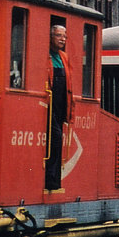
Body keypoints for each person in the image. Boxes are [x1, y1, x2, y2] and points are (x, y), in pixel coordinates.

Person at [45, 24, 73, 191]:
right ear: (51, 37)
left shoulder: (63, 57)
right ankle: (50, 178)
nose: (62, 39)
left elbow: (69, 84)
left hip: (61, 102)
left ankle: (55, 177)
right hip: (49, 102)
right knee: (55, 138)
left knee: (58, 139)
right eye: (58, 35)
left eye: (64, 36)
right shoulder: (45, 55)